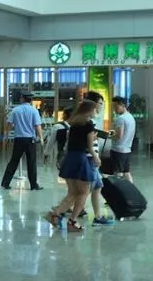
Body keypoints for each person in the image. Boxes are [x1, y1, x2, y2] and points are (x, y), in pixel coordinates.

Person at [44, 100, 101, 233]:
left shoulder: (73, 123)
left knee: (73, 192)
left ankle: (55, 214)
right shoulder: (88, 124)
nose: (95, 113)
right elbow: (90, 147)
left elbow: (69, 143)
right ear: (89, 110)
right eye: (95, 110)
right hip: (81, 159)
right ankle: (72, 221)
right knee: (83, 192)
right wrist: (96, 157)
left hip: (70, 157)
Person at [0, 93, 44, 190]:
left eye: (20, 97)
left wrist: (6, 135)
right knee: (31, 162)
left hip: (18, 139)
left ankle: (5, 183)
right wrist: (41, 138)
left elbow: (9, 124)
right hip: (30, 140)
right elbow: (37, 125)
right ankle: (33, 185)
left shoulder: (15, 110)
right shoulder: (34, 111)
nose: (20, 99)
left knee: (13, 161)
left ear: (23, 99)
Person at [110, 96, 137, 183]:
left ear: (122, 105)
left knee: (117, 174)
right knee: (126, 172)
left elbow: (118, 136)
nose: (114, 109)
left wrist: (108, 135)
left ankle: (118, 193)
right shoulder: (130, 117)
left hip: (118, 150)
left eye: (115, 106)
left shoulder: (120, 119)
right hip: (127, 150)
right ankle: (132, 191)